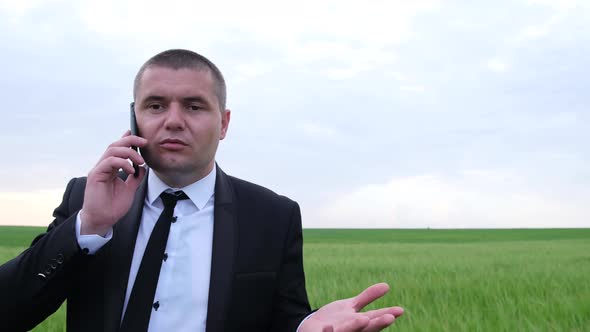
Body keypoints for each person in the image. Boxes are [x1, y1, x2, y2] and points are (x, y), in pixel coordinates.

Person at [0, 49, 404, 331]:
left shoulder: (272, 216)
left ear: (224, 123)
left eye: (194, 106)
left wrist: (303, 328)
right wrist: (88, 226)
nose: (173, 121)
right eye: (155, 106)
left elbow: (284, 318)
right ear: (134, 118)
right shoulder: (85, 199)